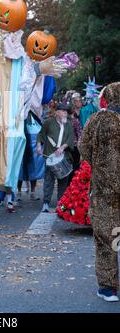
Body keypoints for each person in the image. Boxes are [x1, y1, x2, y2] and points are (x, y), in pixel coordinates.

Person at [78, 82, 120, 302]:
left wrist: (97, 163)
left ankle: (108, 287)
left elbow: (82, 146)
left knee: (107, 236)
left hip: (104, 188)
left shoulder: (97, 120)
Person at [37, 103, 74, 212]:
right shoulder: (48, 123)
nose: (65, 114)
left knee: (63, 180)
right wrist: (39, 146)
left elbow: (71, 138)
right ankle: (46, 203)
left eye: (66, 112)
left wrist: (63, 147)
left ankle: (61, 204)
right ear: (57, 112)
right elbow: (40, 134)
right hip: (50, 155)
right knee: (49, 179)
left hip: (64, 156)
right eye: (63, 111)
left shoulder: (69, 124)